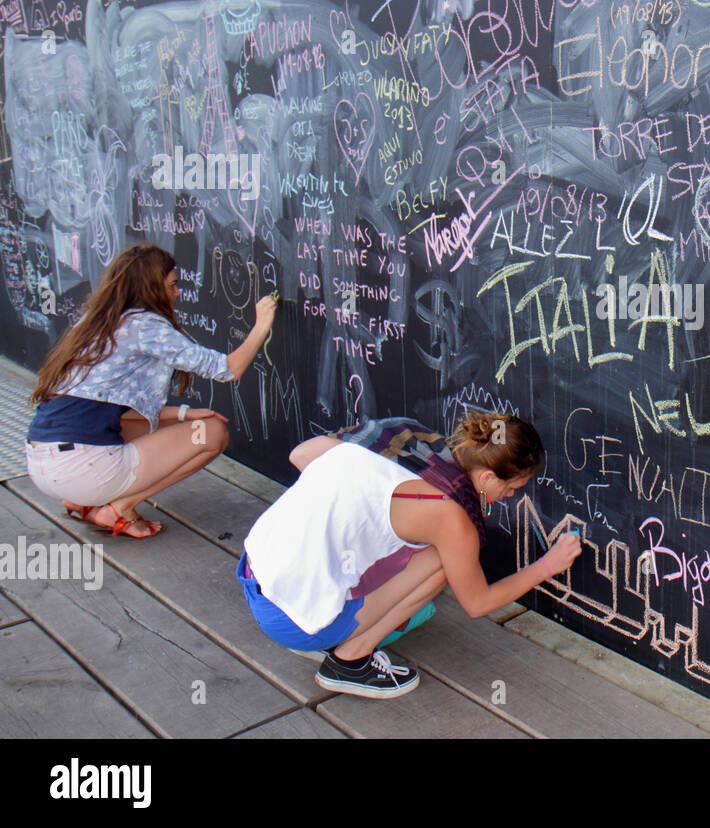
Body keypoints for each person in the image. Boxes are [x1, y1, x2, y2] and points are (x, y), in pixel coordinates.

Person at [238, 411, 582, 698]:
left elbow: (300, 455)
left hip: (256, 577)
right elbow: (478, 603)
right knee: (441, 560)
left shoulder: (401, 439)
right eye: (511, 487)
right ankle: (350, 662)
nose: (507, 496)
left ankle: (324, 610)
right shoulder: (449, 514)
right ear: (488, 475)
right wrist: (547, 566)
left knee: (412, 545)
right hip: (290, 622)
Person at [26, 244, 277, 538]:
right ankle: (118, 509)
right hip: (84, 467)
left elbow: (108, 410)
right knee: (212, 434)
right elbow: (229, 369)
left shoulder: (95, 323)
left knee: (165, 425)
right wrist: (262, 324)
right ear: (150, 289)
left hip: (44, 465)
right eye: (172, 285)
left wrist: (183, 413)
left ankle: (84, 500)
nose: (177, 293)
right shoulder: (145, 326)